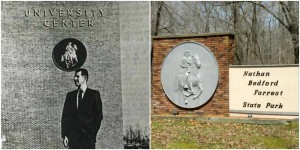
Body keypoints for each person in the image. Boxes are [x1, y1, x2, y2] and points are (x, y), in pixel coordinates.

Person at [61, 68, 103, 149]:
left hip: (88, 139)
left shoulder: (94, 95)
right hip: (73, 140)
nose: (75, 78)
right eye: (74, 76)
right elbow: (65, 117)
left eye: (77, 76)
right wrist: (65, 135)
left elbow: (98, 116)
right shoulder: (70, 96)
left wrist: (92, 133)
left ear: (85, 78)